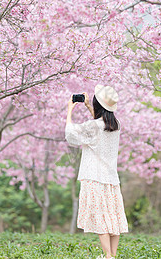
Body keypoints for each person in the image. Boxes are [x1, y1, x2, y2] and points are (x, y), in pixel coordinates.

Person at [65, 84, 128, 259]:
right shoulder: (116, 125)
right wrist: (88, 107)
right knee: (113, 218)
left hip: (94, 177)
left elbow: (70, 134)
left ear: (98, 105)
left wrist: (70, 110)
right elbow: (101, 125)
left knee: (102, 219)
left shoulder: (94, 127)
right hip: (111, 179)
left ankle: (107, 256)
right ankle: (112, 256)